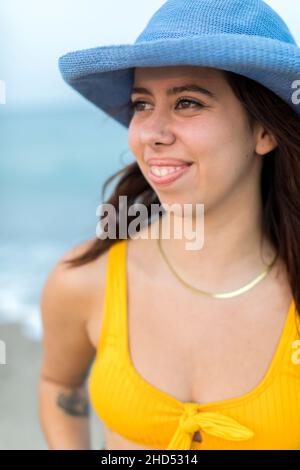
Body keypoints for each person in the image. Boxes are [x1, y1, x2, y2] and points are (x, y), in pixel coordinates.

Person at [38, 0, 300, 450]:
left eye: (187, 102)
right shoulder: (85, 280)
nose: (151, 132)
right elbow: (58, 383)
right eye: (142, 104)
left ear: (264, 131)